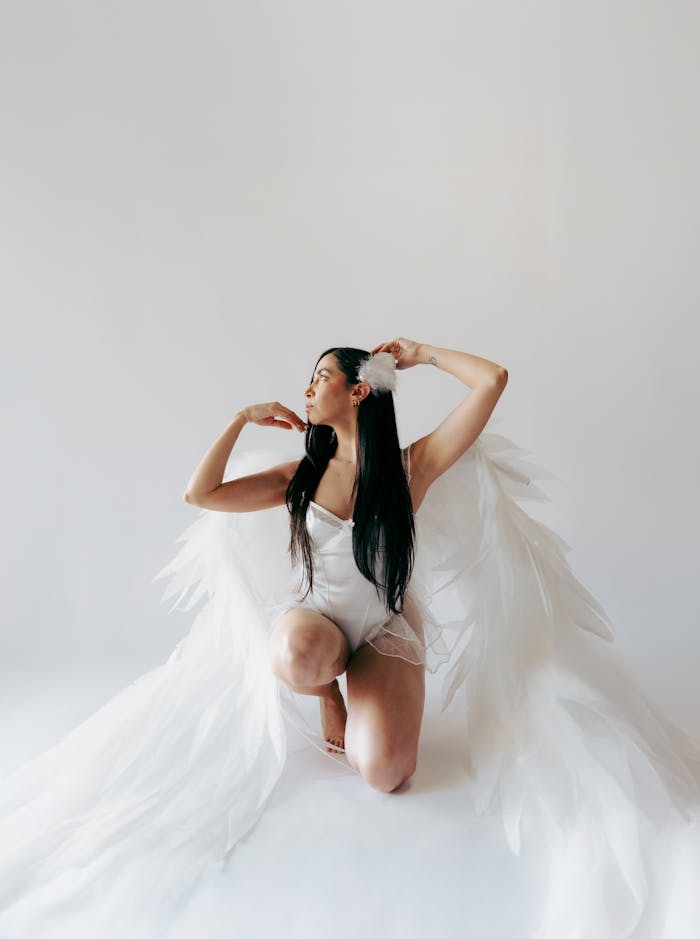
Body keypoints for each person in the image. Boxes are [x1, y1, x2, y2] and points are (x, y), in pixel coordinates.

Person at [182, 338, 508, 792]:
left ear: (359, 391)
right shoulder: (301, 475)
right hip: (318, 624)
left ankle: (368, 692)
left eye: (321, 377)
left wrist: (417, 354)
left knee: (387, 773)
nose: (308, 391)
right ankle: (329, 692)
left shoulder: (413, 468)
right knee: (294, 655)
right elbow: (202, 494)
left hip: (382, 630)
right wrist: (242, 419)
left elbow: (492, 380)